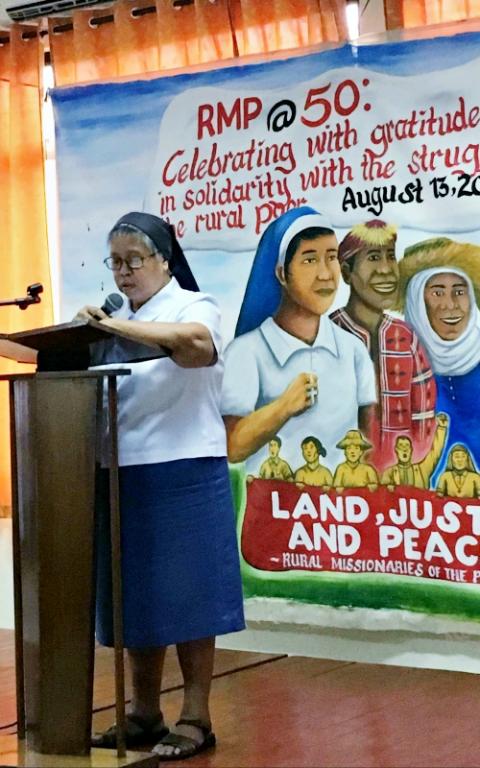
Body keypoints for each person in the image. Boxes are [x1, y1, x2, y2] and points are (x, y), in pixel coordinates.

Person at [75, 212, 245, 761]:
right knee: (134, 599)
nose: (123, 273)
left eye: (133, 261)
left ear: (164, 261)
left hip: (184, 469)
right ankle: (144, 713)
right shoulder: (112, 315)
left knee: (191, 598)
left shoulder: (195, 306)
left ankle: (196, 716)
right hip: (118, 470)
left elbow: (194, 345)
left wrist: (113, 328)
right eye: (115, 262)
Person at [221, 207, 377, 475]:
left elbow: (369, 439)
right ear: (282, 273)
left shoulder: (353, 350)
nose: (326, 274)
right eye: (309, 260)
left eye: (331, 258)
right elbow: (230, 447)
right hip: (270, 507)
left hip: (340, 509)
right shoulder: (246, 352)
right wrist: (283, 406)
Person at [330, 220, 436, 471]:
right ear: (346, 272)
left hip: (401, 478)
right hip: (341, 479)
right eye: (374, 257)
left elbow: (424, 410)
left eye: (390, 256)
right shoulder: (327, 334)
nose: (387, 269)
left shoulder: (406, 337)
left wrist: (410, 465)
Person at [399, 238, 480, 483]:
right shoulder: (395, 367)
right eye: (437, 292)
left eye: (459, 291)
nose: (450, 305)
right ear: (416, 301)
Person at [381, 413, 448, 490]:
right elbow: (383, 494)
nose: (404, 449)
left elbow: (435, 452)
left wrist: (441, 428)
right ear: (396, 450)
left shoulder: (422, 469)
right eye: (401, 446)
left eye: (407, 446)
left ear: (411, 450)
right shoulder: (389, 473)